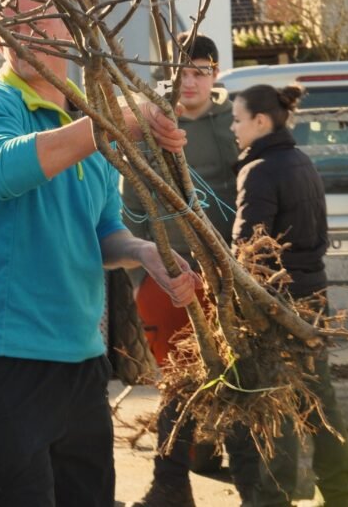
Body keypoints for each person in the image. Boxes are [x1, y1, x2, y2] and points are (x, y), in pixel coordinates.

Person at [0, 0, 199, 507]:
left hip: (81, 358)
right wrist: (113, 124)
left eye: (37, 17)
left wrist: (144, 252)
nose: (19, 31)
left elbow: (103, 231)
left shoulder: (84, 127)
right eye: (7, 22)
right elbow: (0, 170)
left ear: (71, 33)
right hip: (2, 355)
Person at [122, 33, 249, 507]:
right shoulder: (149, 126)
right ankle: (171, 483)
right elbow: (128, 205)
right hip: (167, 278)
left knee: (235, 376)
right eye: (181, 72)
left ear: (214, 74)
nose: (189, 81)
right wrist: (145, 272)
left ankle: (233, 472)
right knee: (180, 380)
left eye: (199, 71)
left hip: (227, 276)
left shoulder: (232, 123)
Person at [231, 83, 348, 507]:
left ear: (260, 122)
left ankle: (273, 498)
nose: (233, 127)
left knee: (276, 402)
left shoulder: (260, 170)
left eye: (237, 119)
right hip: (313, 293)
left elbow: (249, 248)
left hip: (277, 302)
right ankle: (339, 491)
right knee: (318, 398)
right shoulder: (302, 161)